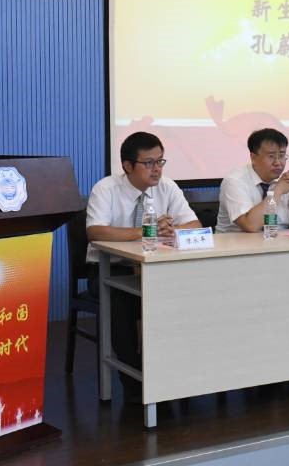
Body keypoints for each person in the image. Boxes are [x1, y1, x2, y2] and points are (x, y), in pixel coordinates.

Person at [85, 131, 200, 400]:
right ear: (127, 166)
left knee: (184, 298)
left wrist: (172, 230)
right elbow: (95, 231)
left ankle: (172, 375)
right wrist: (146, 231)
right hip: (110, 269)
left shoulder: (167, 186)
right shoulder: (106, 188)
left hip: (156, 269)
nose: (157, 169)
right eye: (149, 163)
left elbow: (194, 225)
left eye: (160, 161)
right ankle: (136, 385)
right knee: (123, 304)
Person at [216, 128, 289, 232]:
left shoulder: (286, 180)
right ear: (253, 158)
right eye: (271, 156)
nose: (278, 162)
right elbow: (250, 226)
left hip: (279, 240)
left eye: (282, 155)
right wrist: (278, 191)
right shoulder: (234, 181)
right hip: (237, 241)